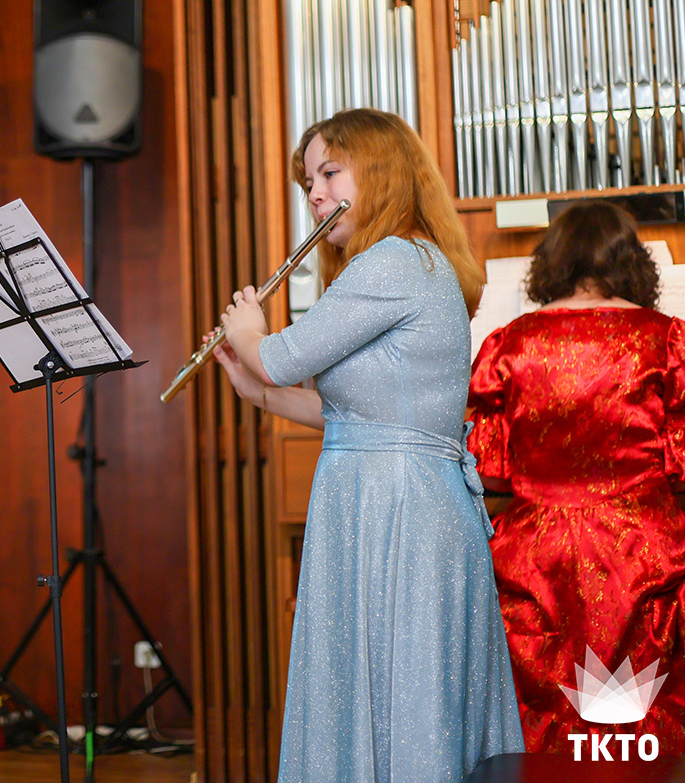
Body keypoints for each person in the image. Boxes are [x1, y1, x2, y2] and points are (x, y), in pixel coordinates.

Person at [211, 108, 524, 782]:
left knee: (402, 690)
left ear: (379, 173)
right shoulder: (415, 261)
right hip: (391, 497)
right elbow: (353, 417)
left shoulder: (393, 260)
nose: (315, 194)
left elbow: (283, 356)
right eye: (308, 182)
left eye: (329, 173)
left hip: (396, 510)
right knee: (396, 689)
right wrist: (250, 384)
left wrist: (249, 330)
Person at [468, 201, 685, 756]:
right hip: (642, 548)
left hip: (537, 556)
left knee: (544, 726)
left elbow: (490, 470)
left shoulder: (510, 343)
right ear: (630, 262)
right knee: (645, 717)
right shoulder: (666, 338)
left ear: (553, 261)